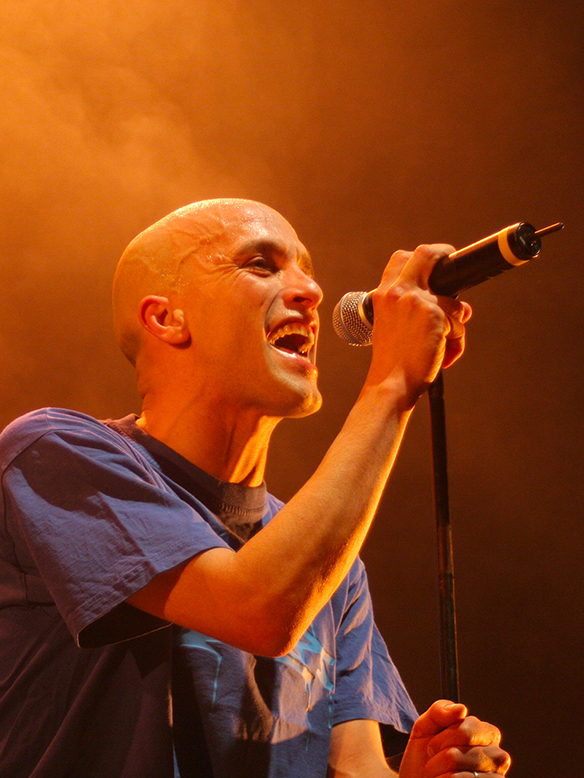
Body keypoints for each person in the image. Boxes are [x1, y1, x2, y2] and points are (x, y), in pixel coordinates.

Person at [0, 199, 510, 778]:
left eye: (305, 267)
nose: (312, 290)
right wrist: (392, 383)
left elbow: (357, 768)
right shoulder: (54, 453)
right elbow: (257, 609)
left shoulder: (331, 569)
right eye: (261, 265)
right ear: (167, 318)